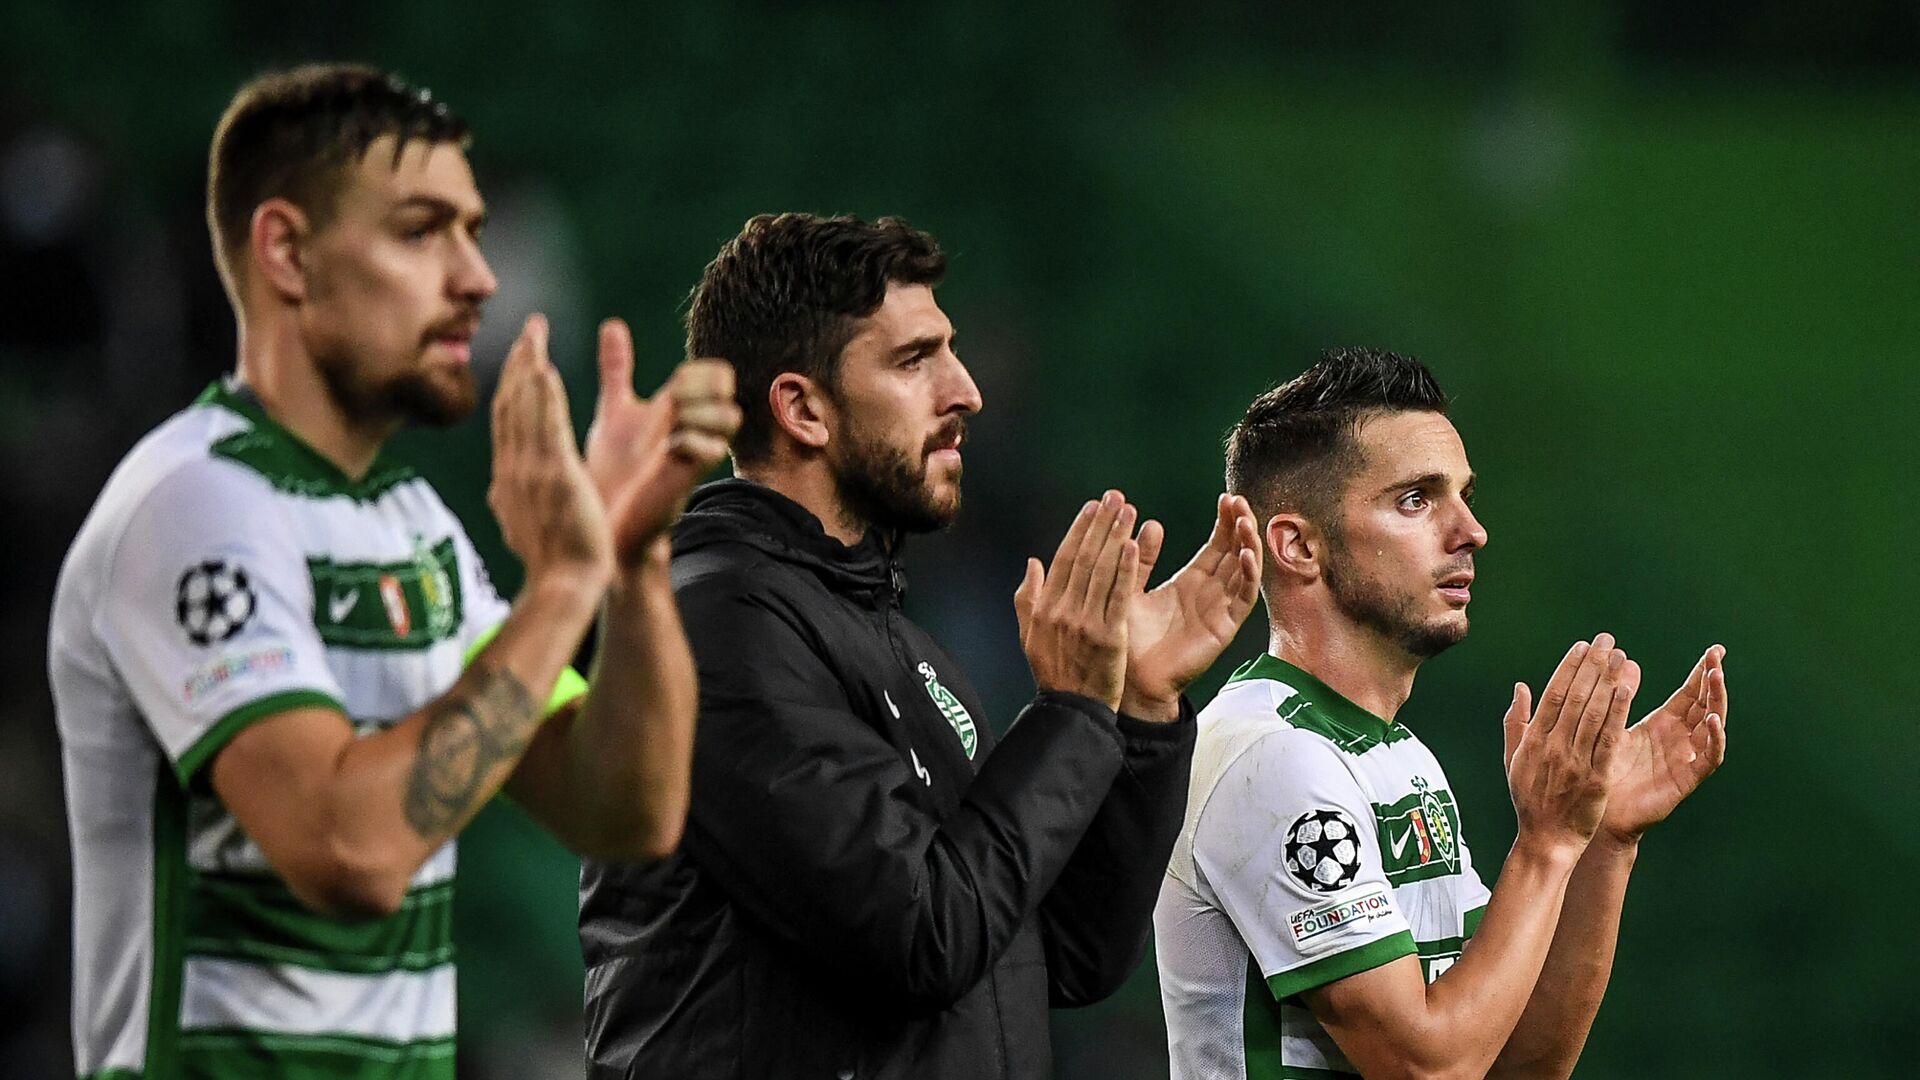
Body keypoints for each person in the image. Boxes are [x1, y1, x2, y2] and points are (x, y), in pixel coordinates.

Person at [47, 64, 738, 1079]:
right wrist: (559, 586)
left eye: (473, 230)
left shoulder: (409, 525)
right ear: (285, 251)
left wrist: (632, 566)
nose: (479, 277)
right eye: (422, 232)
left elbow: (624, 809)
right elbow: (352, 854)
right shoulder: (190, 507)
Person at [577, 212, 1264, 1079]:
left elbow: (1061, 950)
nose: (967, 390)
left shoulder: (888, 635)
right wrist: (1075, 712)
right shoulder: (719, 631)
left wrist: (1138, 714)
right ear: (802, 409)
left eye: (952, 351)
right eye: (915, 361)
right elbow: (924, 934)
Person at [1154, 348, 1730, 1079]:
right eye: (1417, 499)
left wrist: (1602, 841)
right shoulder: (1270, 756)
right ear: (1299, 546)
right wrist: (1545, 845)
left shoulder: (1397, 758)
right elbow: (1427, 1069)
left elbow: (1515, 1065)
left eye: (1462, 494)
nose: (1471, 530)